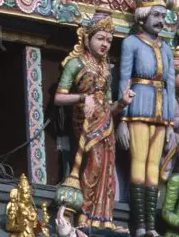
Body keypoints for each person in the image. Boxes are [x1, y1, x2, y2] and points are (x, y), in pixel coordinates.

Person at [55, 12, 134, 229]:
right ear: (87, 37)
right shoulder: (75, 63)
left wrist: (122, 103)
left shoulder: (105, 68)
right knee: (93, 165)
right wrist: (82, 97)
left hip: (105, 121)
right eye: (100, 38)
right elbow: (59, 97)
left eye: (109, 40)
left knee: (107, 169)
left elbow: (109, 105)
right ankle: (84, 215)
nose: (105, 44)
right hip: (86, 120)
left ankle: (103, 219)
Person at [117, 0, 175, 237]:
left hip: (161, 112)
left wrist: (171, 123)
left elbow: (170, 84)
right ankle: (139, 225)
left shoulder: (166, 48)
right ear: (143, 17)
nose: (161, 21)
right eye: (156, 16)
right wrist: (122, 118)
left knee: (154, 169)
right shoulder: (131, 43)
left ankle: (151, 226)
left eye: (163, 16)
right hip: (138, 107)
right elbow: (123, 79)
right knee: (138, 165)